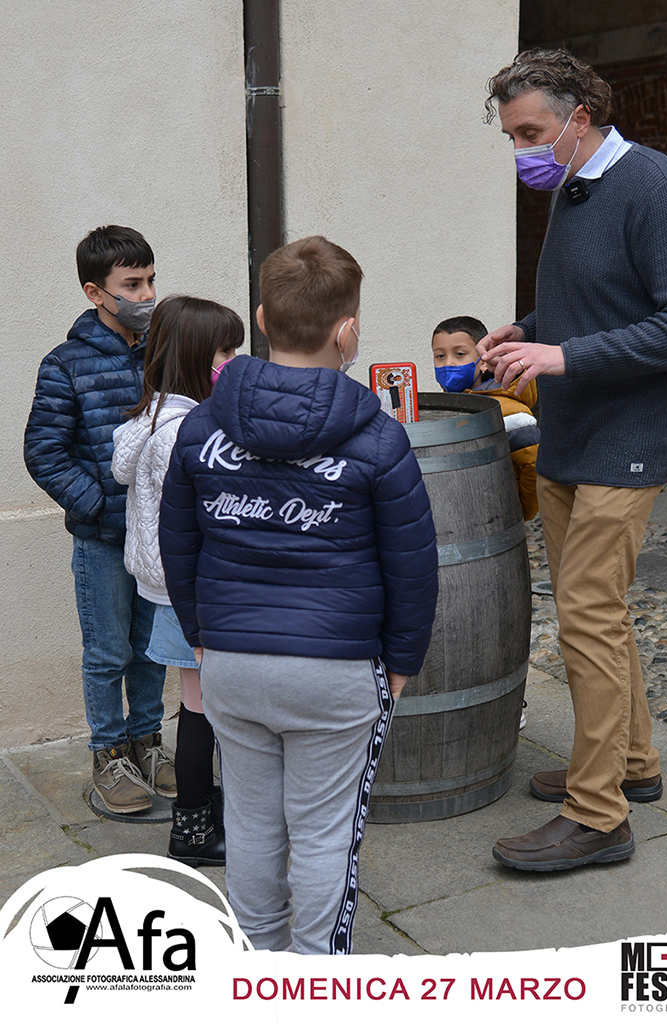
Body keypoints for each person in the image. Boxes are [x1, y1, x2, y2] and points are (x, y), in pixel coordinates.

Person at [158, 235, 438, 953]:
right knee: (323, 833)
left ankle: (257, 963)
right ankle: (316, 978)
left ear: (260, 318)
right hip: (335, 671)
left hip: (231, 662)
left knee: (251, 824)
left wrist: (200, 634)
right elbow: (412, 564)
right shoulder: (380, 440)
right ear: (348, 332)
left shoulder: (201, 427)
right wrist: (402, 660)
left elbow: (177, 544)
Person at [477, 50, 667, 871]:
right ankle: (632, 762)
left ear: (579, 117)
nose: (521, 151)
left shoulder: (653, 185)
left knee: (585, 613)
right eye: (511, 137)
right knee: (599, 612)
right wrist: (525, 329)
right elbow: (598, 298)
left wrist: (562, 356)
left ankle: (597, 814)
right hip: (572, 432)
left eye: (530, 133)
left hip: (629, 436)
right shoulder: (573, 186)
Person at [24, 225, 173, 815]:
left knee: (152, 650)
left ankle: (147, 743)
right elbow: (44, 452)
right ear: (95, 292)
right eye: (131, 285)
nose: (147, 295)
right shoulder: (65, 364)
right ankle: (109, 756)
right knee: (108, 652)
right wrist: (95, 505)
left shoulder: (165, 352)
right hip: (104, 541)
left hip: (157, 538)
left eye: (151, 280)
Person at [112, 295, 244, 864]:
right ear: (194, 355)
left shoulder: (153, 418)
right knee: (205, 711)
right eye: (224, 351)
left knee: (200, 705)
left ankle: (203, 814)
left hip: (171, 588)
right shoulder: (184, 430)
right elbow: (200, 516)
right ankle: (193, 829)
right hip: (192, 592)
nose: (232, 361)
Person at [432, 315, 539, 521]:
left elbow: (533, 463)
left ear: (483, 362)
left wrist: (521, 510)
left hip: (497, 518)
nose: (449, 363)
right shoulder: (444, 408)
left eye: (460, 354)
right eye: (440, 356)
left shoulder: (508, 411)